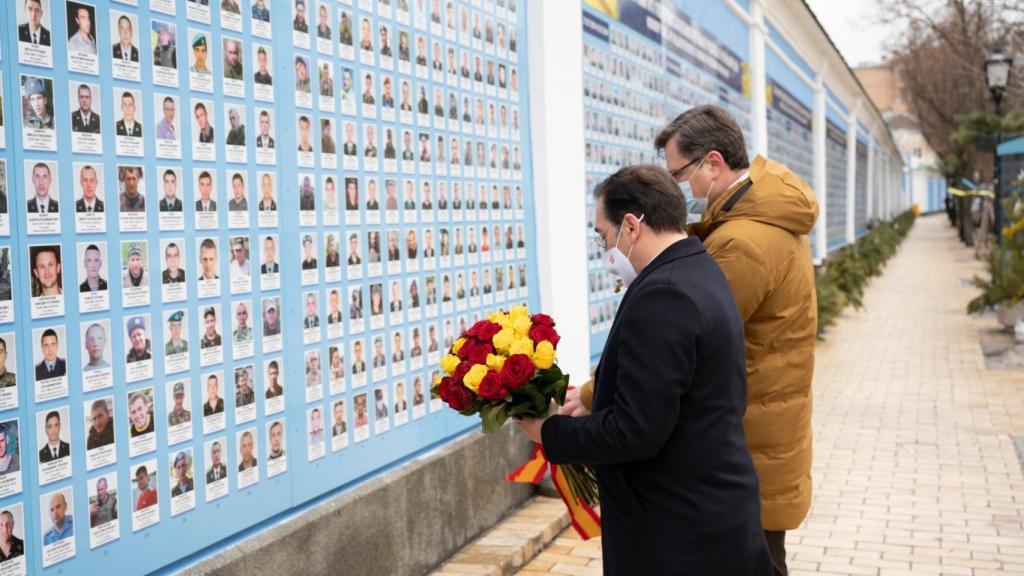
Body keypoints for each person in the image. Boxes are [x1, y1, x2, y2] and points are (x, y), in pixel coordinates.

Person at [519, 164, 771, 574]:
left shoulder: (664, 294)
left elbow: (635, 431)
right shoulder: (698, 268)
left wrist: (549, 432)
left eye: (604, 236)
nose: (605, 249)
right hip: (709, 512)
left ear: (631, 226)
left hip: (679, 534)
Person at [650, 106, 818, 574]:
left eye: (680, 175)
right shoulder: (761, 218)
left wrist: (592, 396)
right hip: (763, 429)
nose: (680, 188)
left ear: (713, 163)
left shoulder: (742, 242)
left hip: (749, 440)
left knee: (753, 560)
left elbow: (686, 341)